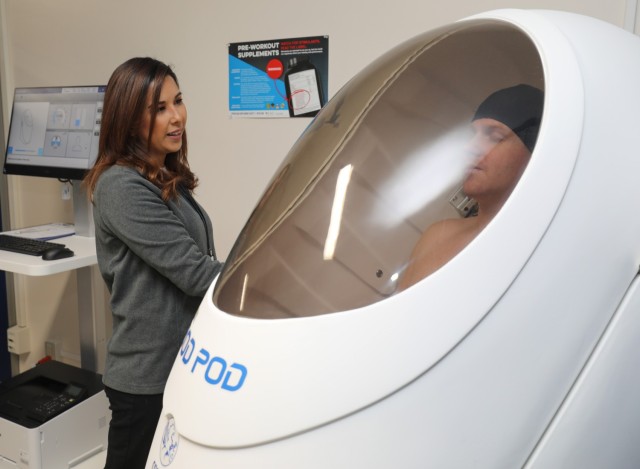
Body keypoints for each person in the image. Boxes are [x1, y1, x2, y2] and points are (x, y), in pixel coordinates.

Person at [83, 57, 223, 468]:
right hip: (146, 379)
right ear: (129, 120)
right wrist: (264, 274)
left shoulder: (162, 177)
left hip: (180, 366)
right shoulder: (121, 186)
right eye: (159, 109)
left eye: (178, 101)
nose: (176, 117)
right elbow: (196, 272)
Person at [399, 84, 543, 290]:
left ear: (533, 154)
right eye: (472, 136)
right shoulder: (438, 236)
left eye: (494, 137)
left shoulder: (541, 246)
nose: (470, 148)